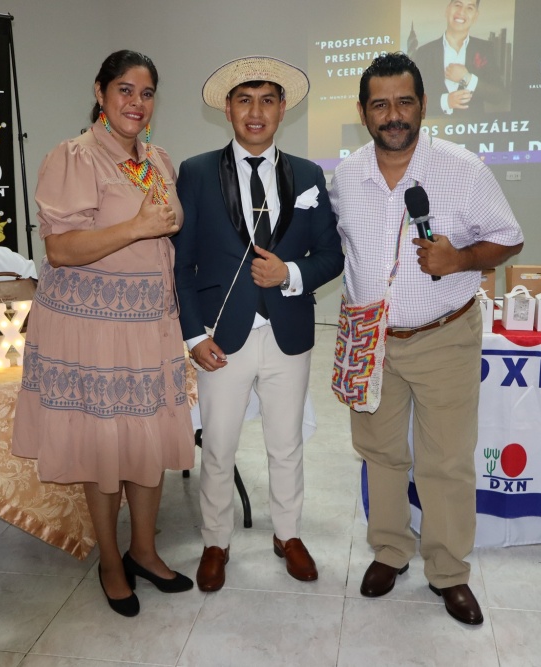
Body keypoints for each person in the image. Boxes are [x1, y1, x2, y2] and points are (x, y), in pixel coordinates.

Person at [329, 52, 523, 625]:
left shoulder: (463, 169)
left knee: (446, 461)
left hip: (444, 336)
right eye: (380, 104)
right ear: (363, 111)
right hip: (371, 339)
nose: (393, 115)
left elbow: (509, 237)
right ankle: (390, 550)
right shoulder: (346, 177)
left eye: (404, 102)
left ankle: (448, 570)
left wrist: (458, 258)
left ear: (423, 105)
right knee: (381, 454)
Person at [11, 51, 194, 618]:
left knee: (146, 441)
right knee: (106, 448)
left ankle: (144, 550)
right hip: (93, 328)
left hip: (149, 323)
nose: (137, 102)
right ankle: (111, 561)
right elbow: (61, 249)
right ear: (100, 92)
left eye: (147, 92)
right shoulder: (75, 156)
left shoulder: (157, 159)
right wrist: (135, 226)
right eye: (125, 90)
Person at [173, 57, 344, 592]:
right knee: (218, 446)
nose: (255, 111)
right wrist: (193, 335)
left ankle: (287, 535)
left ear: (282, 109)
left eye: (267, 100)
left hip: (288, 331)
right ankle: (215, 541)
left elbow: (332, 256)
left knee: (286, 443)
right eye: (244, 100)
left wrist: (289, 272)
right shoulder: (197, 171)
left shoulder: (309, 175)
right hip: (221, 336)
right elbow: (181, 264)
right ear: (227, 109)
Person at [412, 0, 505, 117]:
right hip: (435, 127)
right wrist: (446, 101)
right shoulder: (425, 52)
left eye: (469, 8)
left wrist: (467, 78)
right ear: (447, 10)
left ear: (475, 16)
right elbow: (412, 99)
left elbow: (499, 96)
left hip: (473, 127)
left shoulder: (485, 48)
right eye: (457, 5)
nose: (462, 12)